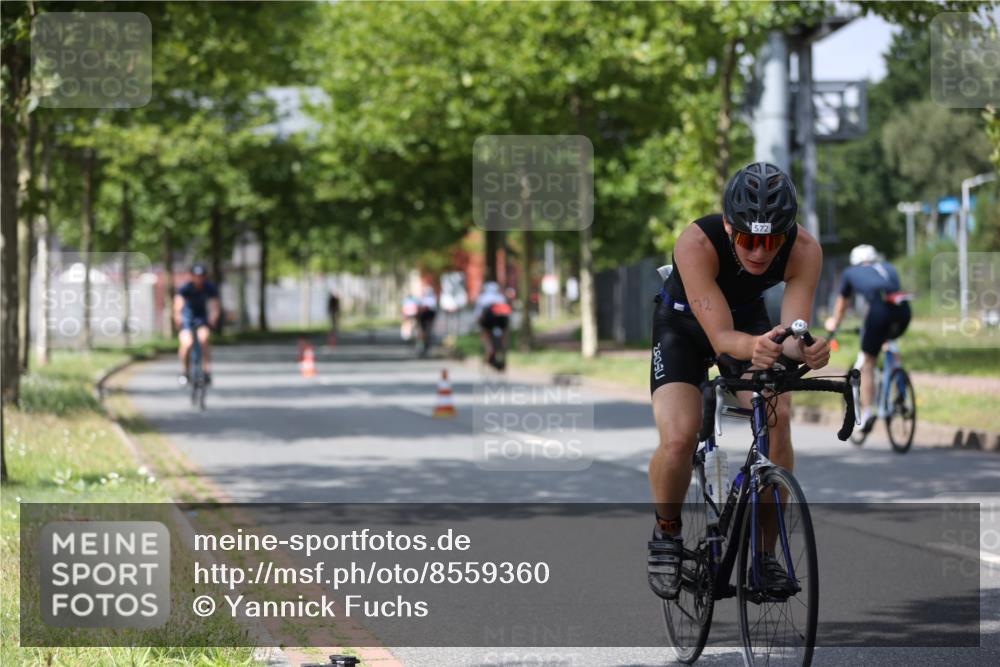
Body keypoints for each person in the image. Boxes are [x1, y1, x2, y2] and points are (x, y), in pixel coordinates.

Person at [647, 162, 831, 600]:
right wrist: (757, 347)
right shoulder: (695, 243)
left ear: (787, 234)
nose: (760, 253)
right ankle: (666, 533)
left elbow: (791, 332)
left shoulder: (805, 250)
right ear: (730, 226)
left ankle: (765, 557)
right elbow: (723, 339)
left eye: (772, 241)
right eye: (749, 239)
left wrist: (803, 347)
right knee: (678, 438)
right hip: (685, 328)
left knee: (778, 415)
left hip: (748, 324)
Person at [824, 244, 912, 433]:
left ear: (855, 261)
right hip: (903, 309)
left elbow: (842, 304)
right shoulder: (888, 267)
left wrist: (834, 324)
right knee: (888, 341)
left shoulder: (850, 273)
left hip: (880, 311)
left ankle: (867, 412)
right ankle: (900, 385)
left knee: (868, 362)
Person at [174, 263, 220, 386]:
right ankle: (184, 372)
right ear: (192, 276)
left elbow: (214, 305)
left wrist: (213, 317)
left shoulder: (209, 288)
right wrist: (178, 316)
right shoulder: (185, 288)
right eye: (196, 276)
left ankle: (206, 372)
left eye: (201, 276)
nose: (199, 278)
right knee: (187, 344)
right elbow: (179, 304)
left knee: (204, 340)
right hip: (187, 320)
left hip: (202, 319)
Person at [474, 281, 512, 369]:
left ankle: (489, 348)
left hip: (488, 316)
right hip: (501, 316)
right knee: (504, 332)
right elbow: (508, 313)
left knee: (485, 332)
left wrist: (479, 324)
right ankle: (503, 346)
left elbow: (477, 314)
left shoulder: (482, 298)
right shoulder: (501, 298)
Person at [416, 285, 438, 355]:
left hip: (428, 318)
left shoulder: (431, 299)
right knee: (423, 331)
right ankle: (421, 344)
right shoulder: (424, 299)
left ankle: (425, 343)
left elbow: (434, 310)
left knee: (426, 331)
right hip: (423, 318)